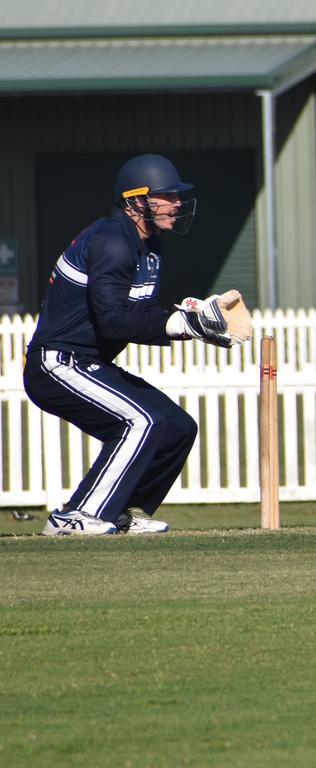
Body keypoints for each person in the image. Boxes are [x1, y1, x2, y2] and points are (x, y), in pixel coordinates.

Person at [23, 154, 243, 536]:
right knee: (142, 420)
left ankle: (122, 510)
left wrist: (191, 320)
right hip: (57, 364)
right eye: (167, 196)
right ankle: (74, 517)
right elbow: (112, 320)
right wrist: (180, 325)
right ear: (136, 200)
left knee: (177, 427)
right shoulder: (111, 240)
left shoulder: (151, 248)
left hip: (90, 363)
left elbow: (138, 316)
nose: (176, 203)